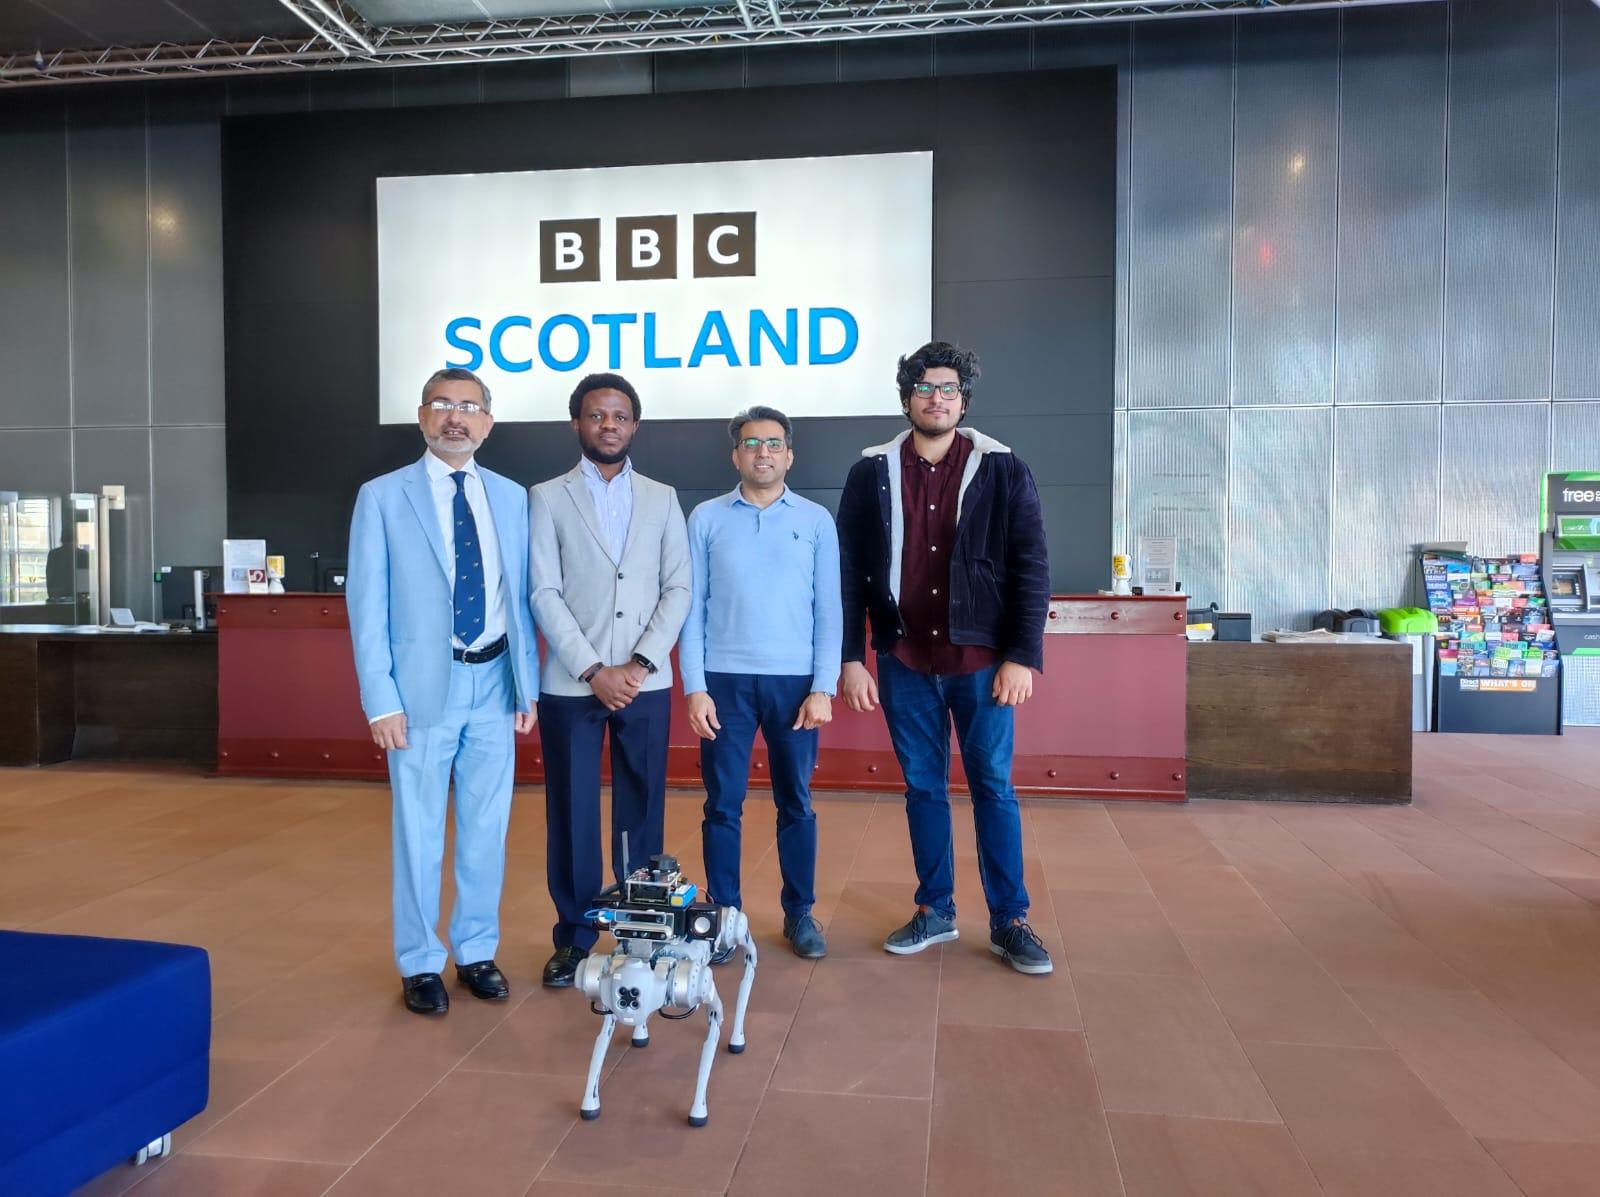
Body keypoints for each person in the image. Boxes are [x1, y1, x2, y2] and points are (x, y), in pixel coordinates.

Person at [835, 341, 1054, 975]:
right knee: (923, 789)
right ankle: (935, 909)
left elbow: (1030, 566)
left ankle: (1010, 920)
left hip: (982, 662)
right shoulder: (869, 470)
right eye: (926, 388)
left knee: (994, 788)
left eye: (949, 389)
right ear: (907, 397)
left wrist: (1022, 656)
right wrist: (853, 658)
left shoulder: (1002, 466)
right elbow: (851, 572)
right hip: (903, 658)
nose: (938, 398)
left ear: (964, 400)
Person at [347, 367, 539, 1015]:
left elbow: (521, 599)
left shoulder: (511, 497)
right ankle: (419, 959)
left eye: (469, 406)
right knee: (419, 828)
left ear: (488, 420)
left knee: (488, 826)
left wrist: (525, 685)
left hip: (495, 679)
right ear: (422, 415)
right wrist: (382, 698)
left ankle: (476, 949)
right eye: (443, 405)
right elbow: (366, 605)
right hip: (422, 688)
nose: (456, 417)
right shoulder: (382, 496)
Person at [530, 372, 691, 988]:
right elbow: (542, 591)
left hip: (645, 684)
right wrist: (593, 669)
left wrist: (640, 664)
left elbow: (678, 586)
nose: (608, 426)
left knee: (641, 809)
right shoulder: (546, 497)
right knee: (570, 811)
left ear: (634, 426)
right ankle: (572, 938)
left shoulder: (661, 496)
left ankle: (639, 932)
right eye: (597, 416)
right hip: (573, 684)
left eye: (620, 416)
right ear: (578, 423)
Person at [680, 406, 841, 960]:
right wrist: (694, 686)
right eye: (752, 444)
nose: (763, 453)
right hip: (723, 683)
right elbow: (690, 609)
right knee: (722, 804)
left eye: (773, 444)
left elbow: (829, 610)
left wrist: (824, 686)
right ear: (736, 456)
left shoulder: (817, 519)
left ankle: (800, 914)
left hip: (796, 685)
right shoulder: (704, 518)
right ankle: (724, 918)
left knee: (795, 801)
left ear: (789, 455)